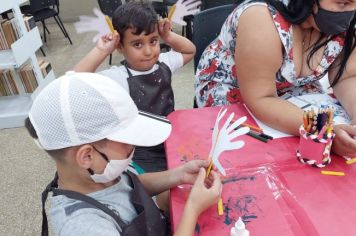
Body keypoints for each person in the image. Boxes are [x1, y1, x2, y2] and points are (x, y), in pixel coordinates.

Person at [25, 71, 221, 236]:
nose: (133, 145)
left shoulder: (98, 171)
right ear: (87, 156)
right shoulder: (86, 227)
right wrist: (193, 208)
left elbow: (128, 187)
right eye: (127, 140)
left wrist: (179, 174)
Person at [194, 0, 356, 157]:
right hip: (237, 92)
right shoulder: (261, 18)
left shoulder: (338, 23)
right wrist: (323, 131)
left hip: (292, 89)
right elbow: (261, 98)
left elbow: (345, 77)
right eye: (343, 3)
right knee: (268, 158)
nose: (350, 12)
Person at [74, 1, 196, 172]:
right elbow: (75, 81)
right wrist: (102, 50)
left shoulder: (164, 62)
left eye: (153, 41)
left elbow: (189, 51)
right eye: (137, 44)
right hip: (140, 150)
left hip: (169, 137)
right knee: (165, 189)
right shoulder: (118, 77)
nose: (148, 51)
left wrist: (167, 36)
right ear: (120, 46)